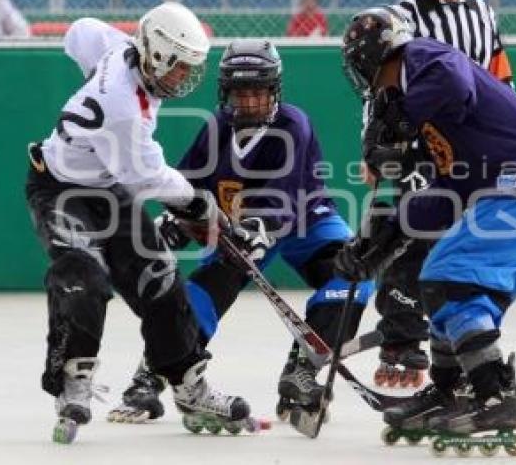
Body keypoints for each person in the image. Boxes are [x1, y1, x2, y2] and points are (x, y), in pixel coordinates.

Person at [106, 39, 374, 432]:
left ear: (275, 89)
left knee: (354, 276)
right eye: (239, 93)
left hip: (304, 222)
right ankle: (154, 373)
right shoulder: (216, 126)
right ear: (225, 92)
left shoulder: (294, 124)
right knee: (199, 294)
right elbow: (187, 184)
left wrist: (255, 230)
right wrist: (176, 222)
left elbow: (282, 198)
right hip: (240, 227)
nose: (248, 102)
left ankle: (302, 371)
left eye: (258, 92)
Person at [337, 8, 516, 442]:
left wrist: (401, 118)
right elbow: (447, 193)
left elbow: (455, 80)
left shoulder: (422, 59)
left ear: (372, 60)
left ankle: (495, 396)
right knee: (446, 287)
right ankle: (451, 390)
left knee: (450, 280)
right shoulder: (437, 122)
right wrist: (384, 238)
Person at [25, 2, 252, 443]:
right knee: (83, 278)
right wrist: (203, 206)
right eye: (180, 68)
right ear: (158, 56)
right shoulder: (124, 109)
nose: (185, 78)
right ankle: (72, 379)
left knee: (161, 280)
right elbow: (148, 177)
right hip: (61, 190)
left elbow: (80, 31)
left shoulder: (120, 49)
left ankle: (189, 384)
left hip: (109, 189)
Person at [370, 0, 516, 389]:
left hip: (475, 145)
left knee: (463, 243)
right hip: (418, 144)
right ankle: (400, 341)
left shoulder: (483, 13)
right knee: (412, 234)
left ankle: (456, 340)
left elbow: (502, 79)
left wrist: (510, 132)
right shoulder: (403, 14)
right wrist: (373, 149)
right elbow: (380, 87)